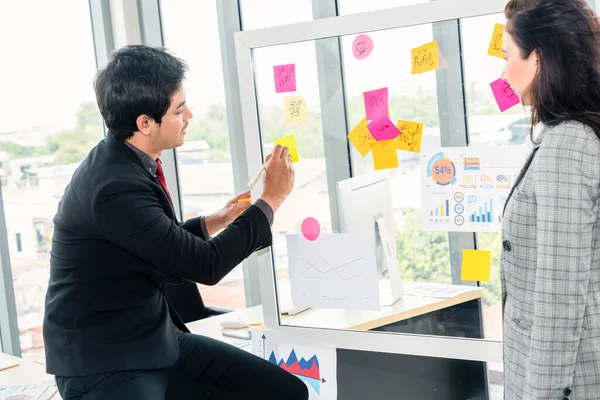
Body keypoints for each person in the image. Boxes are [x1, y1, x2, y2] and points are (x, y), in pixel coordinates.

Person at [43, 45, 308, 400]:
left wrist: (219, 219)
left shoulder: (126, 160)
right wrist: (271, 199)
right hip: (106, 362)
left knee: (285, 391)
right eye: (179, 110)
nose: (190, 115)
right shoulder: (113, 187)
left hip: (153, 342)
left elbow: (155, 243)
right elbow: (205, 264)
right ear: (145, 123)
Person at [500, 0, 600, 398]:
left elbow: (559, 301)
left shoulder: (568, 144)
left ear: (537, 59)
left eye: (507, 55)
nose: (504, 71)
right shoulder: (576, 134)